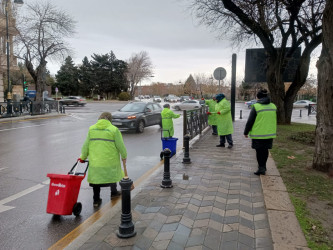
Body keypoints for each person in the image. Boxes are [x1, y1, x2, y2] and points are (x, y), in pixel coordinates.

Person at [78, 112, 127, 207]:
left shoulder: (91, 129)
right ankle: (114, 193)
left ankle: (96, 200)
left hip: (96, 163)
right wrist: (124, 156)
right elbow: (121, 146)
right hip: (110, 162)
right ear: (110, 120)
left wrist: (82, 157)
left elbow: (86, 146)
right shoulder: (114, 130)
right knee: (112, 176)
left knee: (96, 181)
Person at [244, 89, 277, 175]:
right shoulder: (273, 106)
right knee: (265, 151)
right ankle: (263, 167)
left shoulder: (256, 106)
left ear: (258, 97)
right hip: (269, 133)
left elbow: (250, 121)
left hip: (258, 134)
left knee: (259, 151)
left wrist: (246, 132)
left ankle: (261, 168)